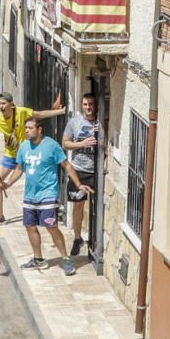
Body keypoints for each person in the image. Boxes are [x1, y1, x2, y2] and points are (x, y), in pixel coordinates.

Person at [0, 116, 93, 276]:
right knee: (30, 226)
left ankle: (65, 259)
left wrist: (78, 184)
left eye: (30, 128)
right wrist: (8, 184)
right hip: (30, 195)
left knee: (51, 227)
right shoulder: (23, 147)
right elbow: (20, 168)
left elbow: (67, 166)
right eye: (26, 128)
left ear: (39, 129)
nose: (27, 131)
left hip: (48, 194)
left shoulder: (52, 146)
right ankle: (38, 259)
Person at [0, 92, 66, 226]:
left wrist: (60, 112)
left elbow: (39, 115)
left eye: (3, 103)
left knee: (40, 180)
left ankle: (52, 206)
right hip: (11, 155)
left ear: (10, 104)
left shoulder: (21, 112)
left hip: (27, 154)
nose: (1, 106)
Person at [61, 94, 103, 256]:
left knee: (98, 205)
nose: (88, 107)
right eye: (85, 104)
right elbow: (65, 143)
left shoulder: (100, 122)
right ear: (81, 105)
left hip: (96, 171)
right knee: (78, 205)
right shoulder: (74, 122)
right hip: (78, 170)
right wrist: (82, 144)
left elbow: (107, 145)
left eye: (91, 104)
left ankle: (96, 241)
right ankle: (78, 238)